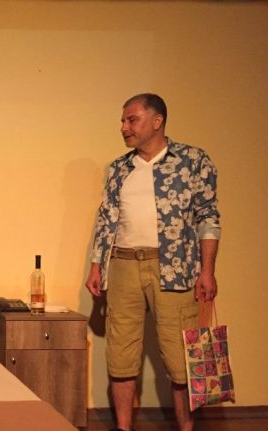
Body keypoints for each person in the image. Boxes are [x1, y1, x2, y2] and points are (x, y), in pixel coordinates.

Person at [85, 93, 220, 431]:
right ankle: (123, 428)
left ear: (157, 121)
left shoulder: (193, 161)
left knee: (181, 356)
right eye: (123, 121)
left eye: (131, 120)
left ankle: (186, 428)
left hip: (174, 267)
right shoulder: (118, 168)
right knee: (121, 353)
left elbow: (208, 216)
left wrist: (207, 270)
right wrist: (96, 265)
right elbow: (107, 219)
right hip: (124, 264)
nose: (124, 127)